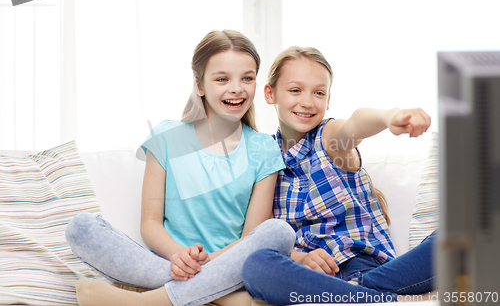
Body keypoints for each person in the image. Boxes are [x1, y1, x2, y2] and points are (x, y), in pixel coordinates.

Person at [65, 30, 296, 306]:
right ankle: (218, 296)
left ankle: (149, 301)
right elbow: (150, 224)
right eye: (222, 79)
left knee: (280, 233)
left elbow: (251, 237)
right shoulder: (167, 136)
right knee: (80, 227)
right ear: (200, 86)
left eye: (247, 78)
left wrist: (207, 264)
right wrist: (179, 257)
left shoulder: (263, 148)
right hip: (168, 262)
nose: (237, 88)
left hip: (228, 263)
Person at [241, 46, 435, 304]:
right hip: (310, 278)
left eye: (318, 92)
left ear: (328, 99)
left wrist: (389, 117)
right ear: (270, 93)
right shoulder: (264, 157)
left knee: (466, 233)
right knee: (256, 264)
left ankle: (360, 292)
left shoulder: (329, 138)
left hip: (371, 272)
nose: (307, 102)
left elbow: (355, 124)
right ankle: (370, 299)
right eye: (295, 90)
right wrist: (300, 258)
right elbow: (260, 237)